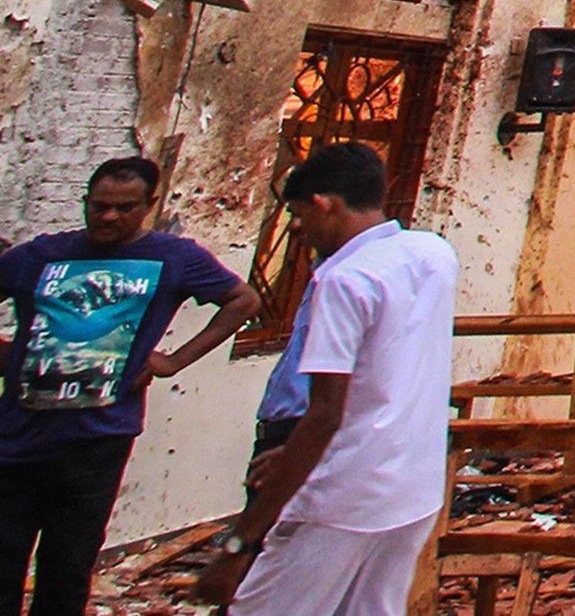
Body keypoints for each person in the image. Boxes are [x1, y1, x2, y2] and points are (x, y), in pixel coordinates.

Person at [192, 141, 456, 616]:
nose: (297, 228)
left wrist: (239, 545)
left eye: (297, 215)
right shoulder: (432, 254)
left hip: (343, 494)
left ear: (324, 203)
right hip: (412, 484)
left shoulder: (344, 280)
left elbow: (325, 414)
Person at [0, 156, 258, 616]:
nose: (109, 217)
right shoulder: (41, 256)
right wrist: (13, 356)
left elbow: (242, 299)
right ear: (85, 203)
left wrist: (173, 361)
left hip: (98, 439)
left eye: (123, 208)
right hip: (17, 437)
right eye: (99, 206)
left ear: (149, 205)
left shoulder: (173, 258)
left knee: (67, 566)